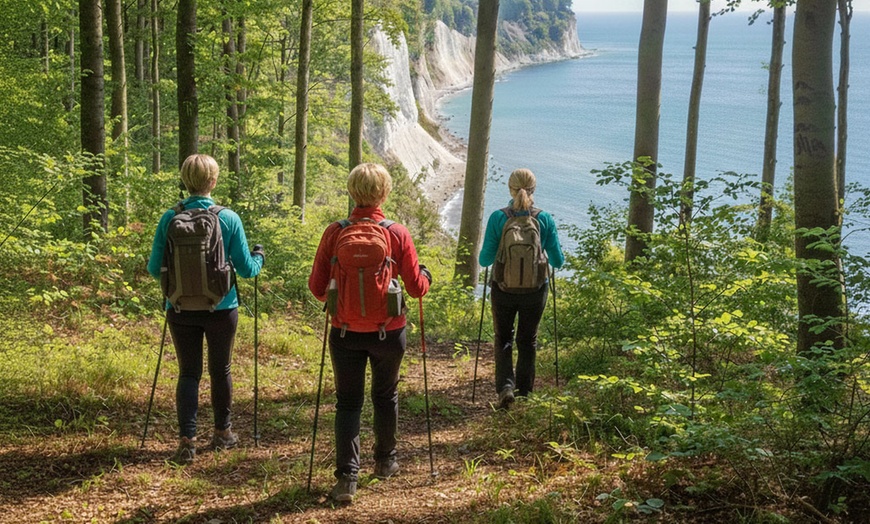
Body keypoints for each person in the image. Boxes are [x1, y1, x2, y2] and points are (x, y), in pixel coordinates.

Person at [308, 163, 432, 503]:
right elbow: (417, 288)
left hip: (344, 332)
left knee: (348, 404)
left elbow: (316, 287)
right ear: (385, 193)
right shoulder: (396, 233)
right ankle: (385, 461)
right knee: (385, 395)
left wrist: (342, 297)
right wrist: (426, 276)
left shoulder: (335, 232)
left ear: (352, 192)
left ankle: (347, 479)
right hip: (388, 332)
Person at [147, 154, 265, 464]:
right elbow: (247, 270)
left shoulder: (168, 218)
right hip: (222, 308)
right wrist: (259, 257)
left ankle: (187, 440)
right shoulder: (228, 218)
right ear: (213, 181)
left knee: (188, 373)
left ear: (185, 182)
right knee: (220, 370)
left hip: (180, 308)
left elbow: (152, 267)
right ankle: (222, 433)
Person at [478, 168, 564, 410]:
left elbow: (485, 260)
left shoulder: (498, 218)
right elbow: (558, 261)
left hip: (503, 288)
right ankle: (525, 393)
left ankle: (505, 388)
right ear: (534, 190)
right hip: (535, 291)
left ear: (510, 188)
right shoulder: (544, 219)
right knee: (528, 340)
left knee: (503, 338)